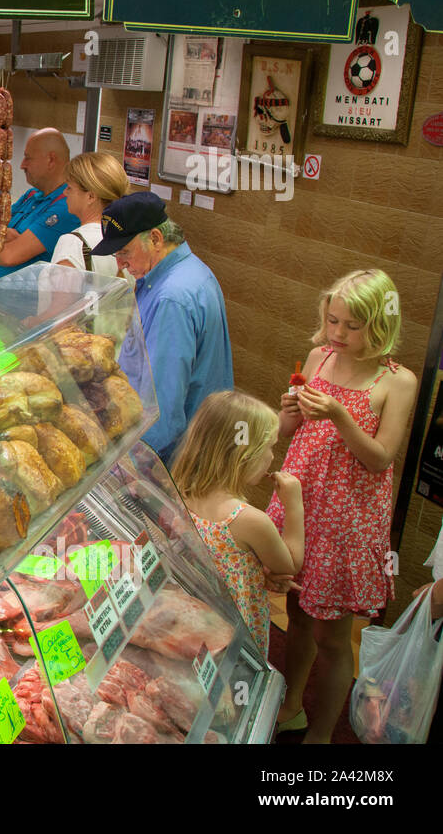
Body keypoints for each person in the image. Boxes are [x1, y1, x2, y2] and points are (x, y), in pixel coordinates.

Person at [268, 269, 418, 744]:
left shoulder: (398, 381)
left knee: (333, 639)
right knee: (296, 616)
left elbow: (380, 459)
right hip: (301, 506)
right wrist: (289, 413)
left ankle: (322, 733)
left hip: (348, 521)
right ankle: (290, 705)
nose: (337, 333)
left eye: (351, 326)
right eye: (332, 320)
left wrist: (339, 415)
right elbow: (287, 433)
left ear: (380, 325)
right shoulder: (319, 357)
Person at [89, 191, 233, 464]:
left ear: (155, 238)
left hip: (171, 459)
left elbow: (162, 407)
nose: (120, 264)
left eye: (124, 252)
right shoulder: (191, 272)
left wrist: (130, 465)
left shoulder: (172, 298)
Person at [170, 391, 305, 653]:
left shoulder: (181, 488)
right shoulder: (248, 519)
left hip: (196, 611)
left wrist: (255, 570)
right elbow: (291, 564)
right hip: (236, 628)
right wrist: (294, 506)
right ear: (245, 454)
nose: (272, 457)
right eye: (269, 447)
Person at [0, 128, 78, 285]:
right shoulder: (30, 195)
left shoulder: (65, 206)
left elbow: (9, 256)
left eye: (28, 158)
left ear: (51, 160)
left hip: (24, 306)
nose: (22, 165)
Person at [51, 151, 131, 276]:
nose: (65, 193)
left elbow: (63, 295)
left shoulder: (73, 243)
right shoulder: (130, 237)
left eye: (70, 188)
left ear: (91, 196)